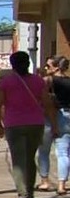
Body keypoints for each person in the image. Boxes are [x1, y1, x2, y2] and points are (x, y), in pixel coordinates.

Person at [0, 51, 61, 198]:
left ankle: (23, 196)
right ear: (28, 64)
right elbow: (48, 104)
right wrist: (54, 125)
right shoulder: (38, 81)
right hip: (35, 124)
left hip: (14, 124)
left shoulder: (6, 82)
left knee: (18, 160)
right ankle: (29, 194)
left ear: (12, 65)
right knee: (30, 159)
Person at [37, 55, 64, 191]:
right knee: (63, 152)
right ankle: (62, 183)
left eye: (48, 66)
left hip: (48, 118)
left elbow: (41, 98)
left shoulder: (46, 81)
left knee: (43, 152)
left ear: (56, 67)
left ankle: (45, 181)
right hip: (66, 117)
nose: (46, 68)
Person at [48, 56, 70, 196]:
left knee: (62, 152)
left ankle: (61, 184)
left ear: (56, 67)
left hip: (60, 116)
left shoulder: (51, 81)